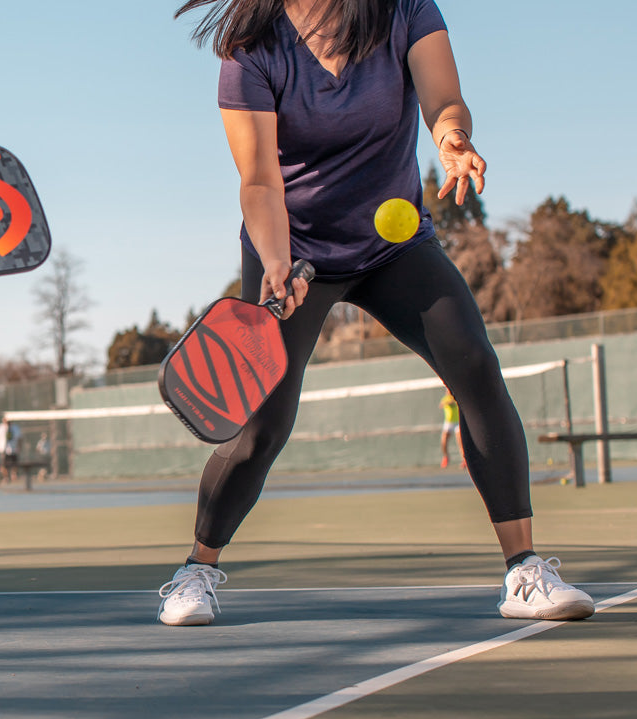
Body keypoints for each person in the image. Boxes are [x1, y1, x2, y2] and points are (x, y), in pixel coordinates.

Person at [157, 0, 594, 628]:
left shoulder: (404, 9)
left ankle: (524, 571)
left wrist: (453, 139)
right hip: (293, 250)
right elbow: (258, 180)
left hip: (394, 245)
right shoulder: (251, 50)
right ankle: (195, 571)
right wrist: (276, 262)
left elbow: (443, 99)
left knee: (474, 363)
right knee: (262, 427)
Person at [0, 419, 21, 483]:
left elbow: (20, 439)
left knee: (14, 464)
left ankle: (13, 476)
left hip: (13, 450)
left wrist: (19, 447)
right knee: (3, 464)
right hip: (3, 449)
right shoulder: (0, 427)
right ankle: (5, 477)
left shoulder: (16, 428)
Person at [440, 387, 463, 469]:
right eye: (447, 390)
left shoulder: (457, 398)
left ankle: (464, 460)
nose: (448, 392)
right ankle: (446, 457)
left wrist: (452, 401)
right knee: (444, 441)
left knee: (460, 442)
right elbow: (442, 405)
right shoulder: (445, 399)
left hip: (457, 422)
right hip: (448, 423)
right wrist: (448, 402)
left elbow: (456, 403)